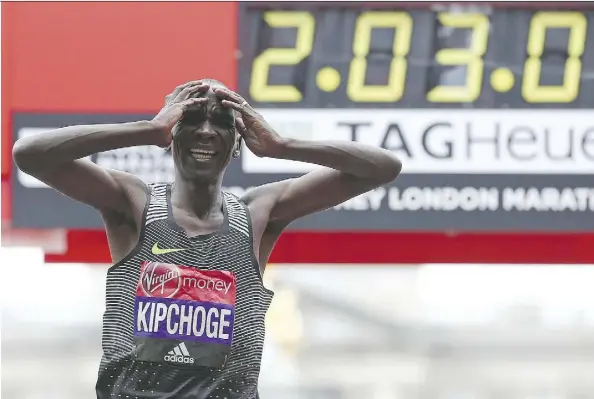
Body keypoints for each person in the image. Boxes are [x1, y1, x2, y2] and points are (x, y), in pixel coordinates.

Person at [13, 79, 402, 399]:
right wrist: (148, 129)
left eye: (220, 123)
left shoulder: (258, 213)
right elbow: (32, 155)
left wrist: (282, 146)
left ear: (237, 143)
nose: (205, 130)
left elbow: (382, 168)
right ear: (171, 135)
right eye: (192, 119)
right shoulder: (133, 203)